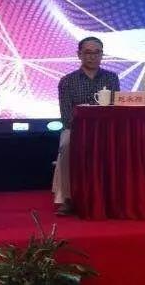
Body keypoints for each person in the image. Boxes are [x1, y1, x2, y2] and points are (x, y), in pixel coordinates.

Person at [54, 36, 120, 216]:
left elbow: (116, 108)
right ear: (79, 55)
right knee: (66, 146)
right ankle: (68, 198)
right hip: (75, 129)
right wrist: (84, 131)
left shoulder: (111, 78)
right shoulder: (67, 81)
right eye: (88, 52)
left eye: (97, 52)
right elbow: (66, 114)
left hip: (106, 129)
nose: (92, 56)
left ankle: (114, 196)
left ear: (102, 55)